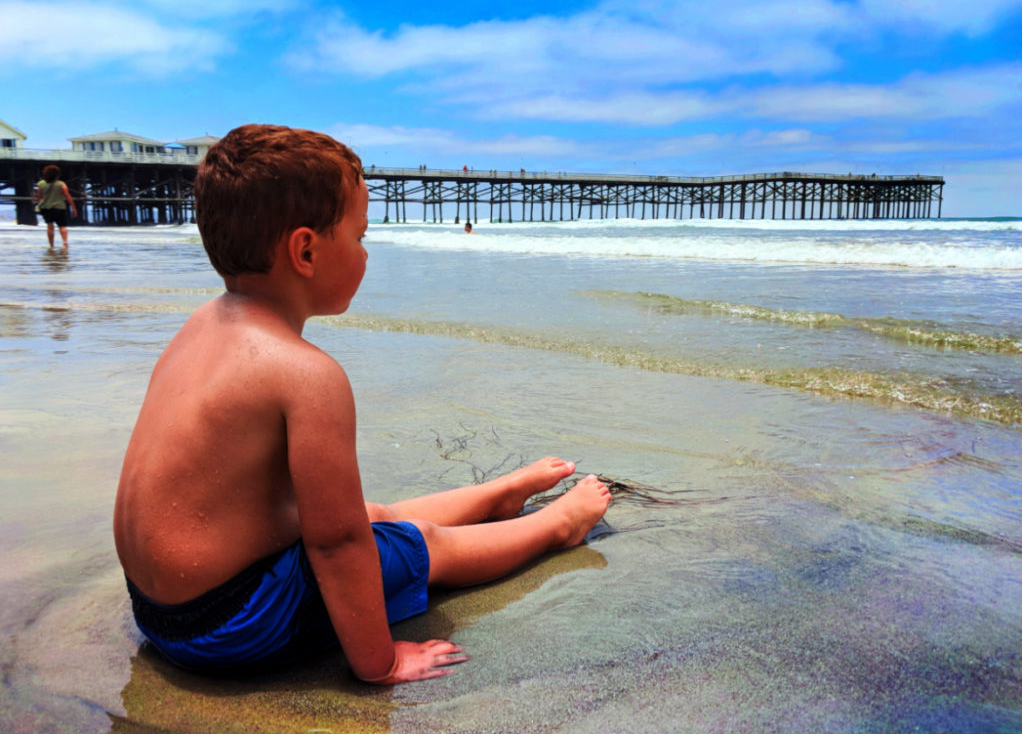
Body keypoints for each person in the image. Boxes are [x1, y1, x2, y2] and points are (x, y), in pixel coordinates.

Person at [113, 124, 611, 685]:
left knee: (371, 515)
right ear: (305, 250)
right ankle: (555, 527)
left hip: (161, 613)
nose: (366, 253)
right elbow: (337, 545)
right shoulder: (306, 375)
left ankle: (499, 493)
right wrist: (381, 662)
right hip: (233, 627)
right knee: (417, 543)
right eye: (359, 236)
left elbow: (329, 522)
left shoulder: (199, 328)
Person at [35, 165, 77, 248]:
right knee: (62, 226)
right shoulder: (61, 184)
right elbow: (68, 196)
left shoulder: (40, 184)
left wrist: (42, 204)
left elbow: (39, 197)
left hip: (46, 208)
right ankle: (65, 243)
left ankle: (51, 245)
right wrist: (73, 208)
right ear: (57, 174)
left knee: (50, 227)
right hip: (60, 208)